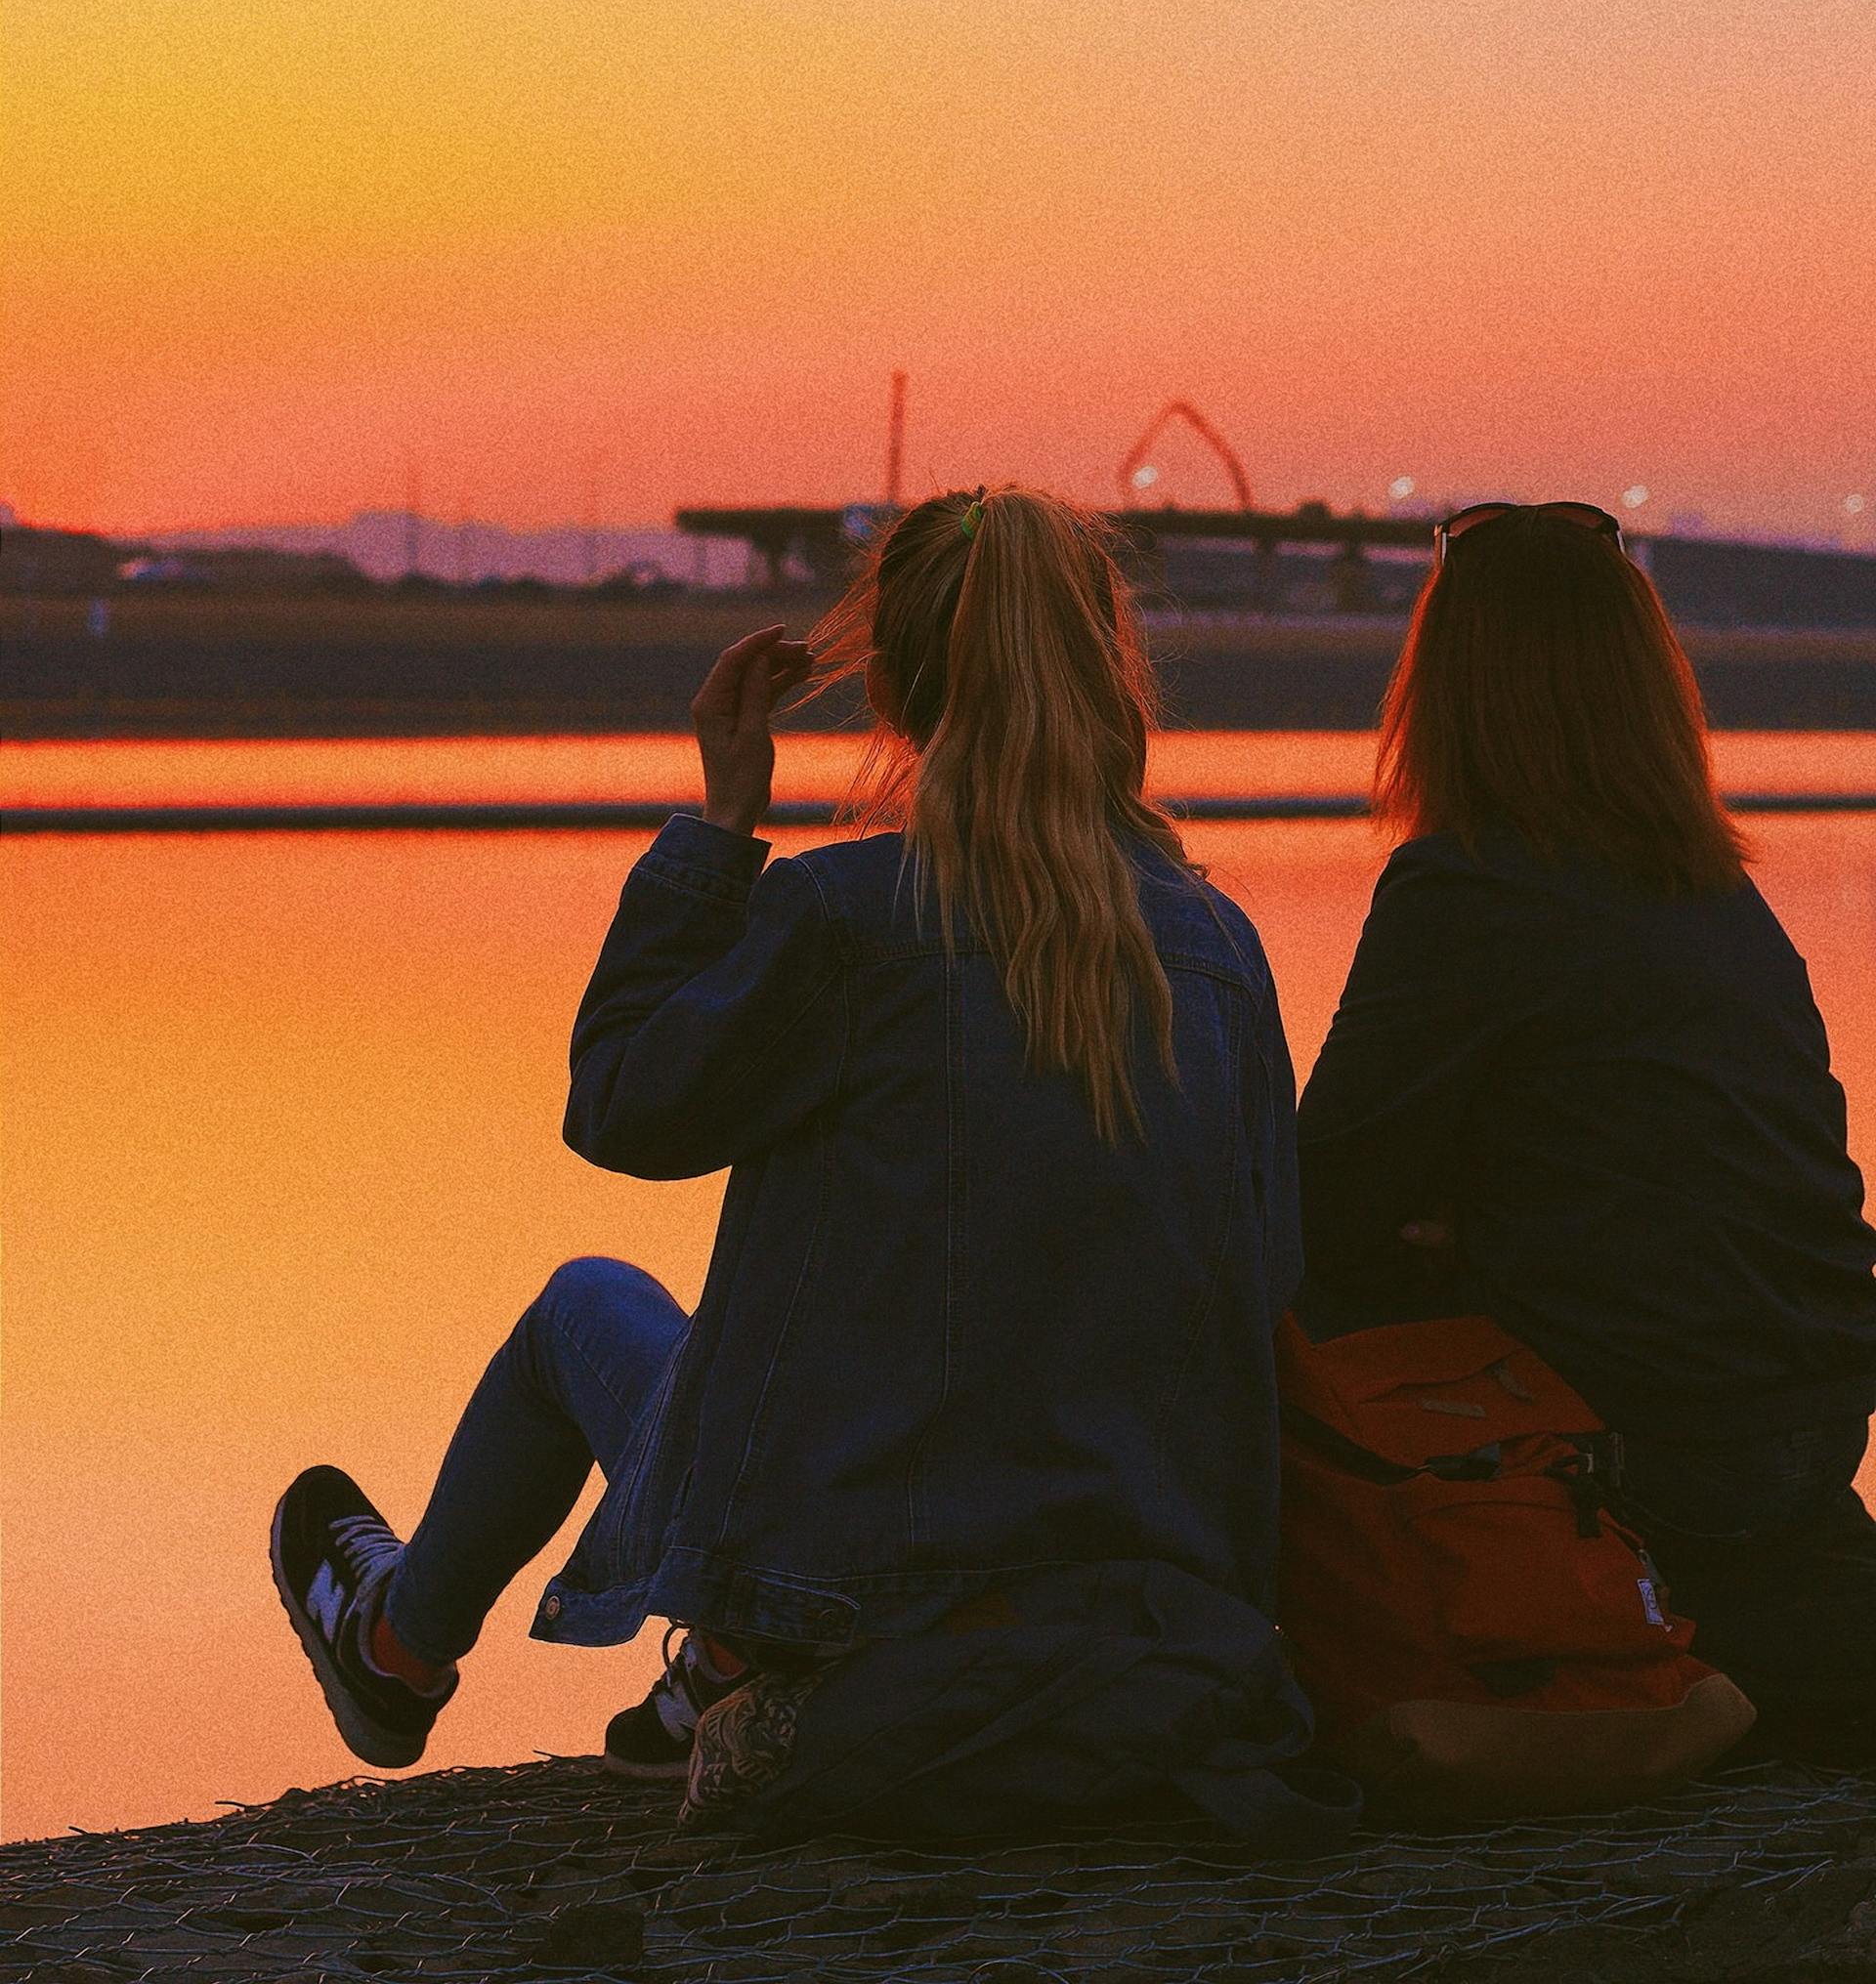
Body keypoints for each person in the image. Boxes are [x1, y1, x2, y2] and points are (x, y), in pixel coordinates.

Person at [273, 488, 1354, 1844]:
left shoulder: (849, 918)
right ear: (1108, 673)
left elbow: (620, 1108)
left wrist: (723, 824)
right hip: (1154, 1612)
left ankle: (398, 1650)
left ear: (894, 691)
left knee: (582, 1312)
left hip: (853, 1591)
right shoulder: (1215, 947)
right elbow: (1275, 1267)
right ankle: (697, 1682)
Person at [1296, 499, 1876, 1761]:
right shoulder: (1724, 901)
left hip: (1653, 1449)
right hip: (1813, 1423)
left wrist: (1436, 1224)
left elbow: (1317, 1205)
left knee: (1270, 1303)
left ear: (1449, 695)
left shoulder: (1465, 886)